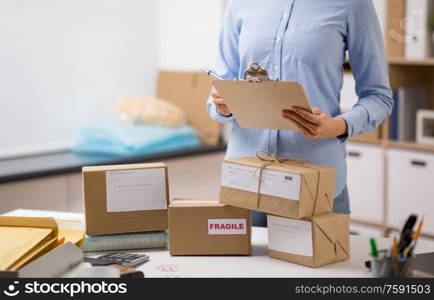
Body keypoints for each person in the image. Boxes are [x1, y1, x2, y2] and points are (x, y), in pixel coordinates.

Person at [207, 0, 393, 227]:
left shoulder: (352, 4)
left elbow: (379, 97)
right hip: (244, 183)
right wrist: (223, 106)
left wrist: (338, 126)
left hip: (314, 186)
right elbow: (219, 88)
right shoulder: (240, 4)